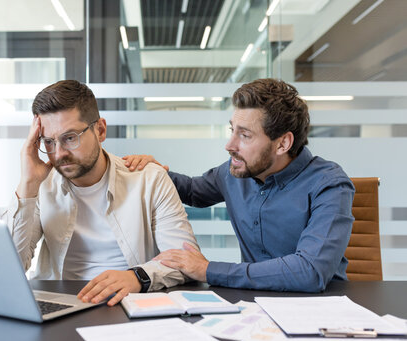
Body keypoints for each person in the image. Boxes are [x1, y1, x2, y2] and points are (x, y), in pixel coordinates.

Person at [123, 78, 355, 292]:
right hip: (253, 305)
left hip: (319, 309)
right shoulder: (233, 173)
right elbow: (193, 191)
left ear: (283, 143)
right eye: (232, 130)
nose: (229, 145)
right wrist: (155, 171)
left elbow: (310, 271)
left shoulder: (330, 184)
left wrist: (208, 270)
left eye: (245, 135)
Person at [2, 80, 197, 306]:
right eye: (49, 142)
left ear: (100, 130)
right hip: (58, 304)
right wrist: (28, 184)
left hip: (129, 303)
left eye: (70, 137)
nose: (59, 153)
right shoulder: (41, 185)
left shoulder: (149, 179)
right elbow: (10, 267)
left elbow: (186, 260)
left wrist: (137, 276)